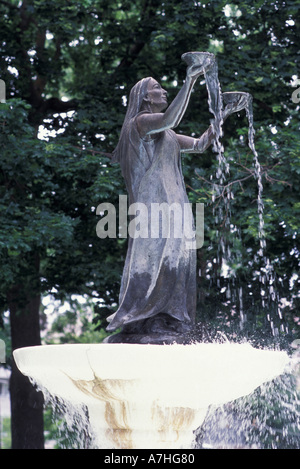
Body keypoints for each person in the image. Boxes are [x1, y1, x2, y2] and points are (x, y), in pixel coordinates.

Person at [106, 59, 247, 340]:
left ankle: (170, 318)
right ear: (145, 97)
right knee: (154, 262)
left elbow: (200, 144)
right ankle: (144, 318)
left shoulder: (166, 134)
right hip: (152, 210)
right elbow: (170, 118)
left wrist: (222, 115)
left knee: (177, 262)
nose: (163, 91)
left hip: (174, 208)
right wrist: (191, 79)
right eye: (157, 88)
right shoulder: (140, 124)